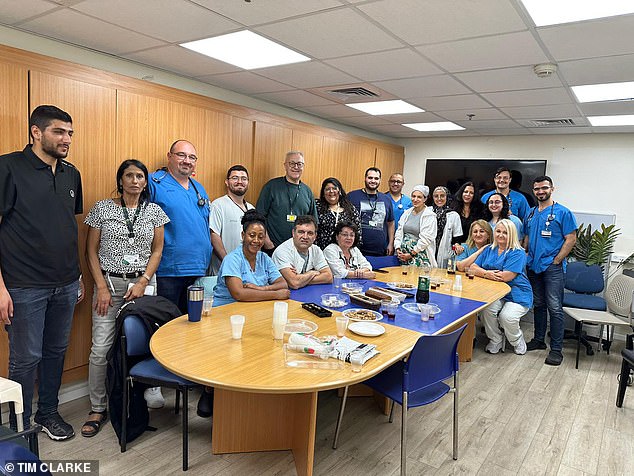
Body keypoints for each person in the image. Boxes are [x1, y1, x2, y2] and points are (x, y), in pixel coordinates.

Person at [0, 105, 83, 439]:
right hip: (23, 285)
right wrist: (0, 288)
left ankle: (48, 413)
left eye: (70, 133)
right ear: (36, 131)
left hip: (64, 283)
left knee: (55, 352)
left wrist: (76, 274)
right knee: (25, 358)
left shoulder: (70, 173)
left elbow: (67, 226)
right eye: (59, 132)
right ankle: (19, 426)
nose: (66, 139)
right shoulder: (8, 167)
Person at [82, 159, 169, 437]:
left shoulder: (155, 211)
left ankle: (142, 396)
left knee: (144, 343)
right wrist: (102, 287)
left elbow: (157, 251)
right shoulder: (102, 208)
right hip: (109, 284)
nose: (134, 180)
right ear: (120, 181)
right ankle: (98, 406)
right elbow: (90, 251)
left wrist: (144, 281)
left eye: (140, 176)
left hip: (143, 286)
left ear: (145, 182)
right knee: (101, 348)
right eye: (129, 176)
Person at [148, 140, 212, 312]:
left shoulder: (199, 188)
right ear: (169, 157)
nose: (187, 161)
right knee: (168, 323)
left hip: (199, 269)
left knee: (193, 322)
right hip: (169, 271)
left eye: (192, 157)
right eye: (181, 155)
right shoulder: (154, 182)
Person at [523, 176, 578, 366]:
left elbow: (571, 238)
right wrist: (526, 254)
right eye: (537, 189)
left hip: (552, 267)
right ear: (534, 190)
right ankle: (538, 340)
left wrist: (557, 260)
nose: (540, 191)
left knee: (555, 308)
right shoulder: (530, 213)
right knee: (538, 304)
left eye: (544, 188)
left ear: (552, 189)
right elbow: (528, 237)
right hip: (534, 266)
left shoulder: (563, 212)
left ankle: (556, 350)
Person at [470, 219, 533, 355]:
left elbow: (506, 277)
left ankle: (517, 340)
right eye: (498, 231)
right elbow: (473, 267)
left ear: (512, 235)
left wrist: (483, 273)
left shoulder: (518, 252)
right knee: (487, 309)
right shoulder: (489, 249)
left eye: (505, 232)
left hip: (517, 294)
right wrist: (487, 273)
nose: (500, 235)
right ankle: (496, 339)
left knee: (507, 317)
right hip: (495, 293)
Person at [213, 210, 290, 307]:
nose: (256, 240)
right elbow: (239, 294)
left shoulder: (264, 258)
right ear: (243, 235)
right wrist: (276, 294)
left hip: (252, 308)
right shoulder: (232, 259)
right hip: (225, 310)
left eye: (261, 237)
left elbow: (283, 284)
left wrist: (262, 288)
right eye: (252, 235)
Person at [256, 151, 318, 252]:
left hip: (299, 250)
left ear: (303, 166)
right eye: (292, 163)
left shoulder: (307, 191)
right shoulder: (271, 186)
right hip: (273, 247)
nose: (295, 167)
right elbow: (259, 217)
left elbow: (313, 223)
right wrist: (267, 242)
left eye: (299, 164)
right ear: (285, 165)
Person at [209, 165, 255, 274]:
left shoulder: (252, 208)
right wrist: (228, 262)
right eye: (235, 178)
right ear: (226, 182)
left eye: (244, 179)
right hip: (223, 270)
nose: (240, 181)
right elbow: (213, 235)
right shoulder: (218, 205)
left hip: (246, 270)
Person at [272, 215, 333, 289]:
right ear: (293, 233)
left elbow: (329, 277)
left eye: (310, 233)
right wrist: (312, 272)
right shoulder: (282, 251)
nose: (305, 237)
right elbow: (294, 283)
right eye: (301, 232)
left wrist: (302, 279)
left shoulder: (316, 250)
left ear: (315, 236)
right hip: (286, 296)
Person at [348, 167, 395, 257]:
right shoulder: (352, 196)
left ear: (380, 180)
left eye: (376, 178)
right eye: (370, 178)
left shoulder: (386, 199)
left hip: (380, 250)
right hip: (356, 249)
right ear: (365, 178)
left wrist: (390, 243)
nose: (373, 181)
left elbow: (391, 223)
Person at [394, 185, 437, 267]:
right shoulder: (407, 213)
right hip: (403, 256)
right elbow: (399, 231)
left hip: (419, 255)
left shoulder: (430, 216)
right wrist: (398, 248)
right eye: (413, 196)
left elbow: (426, 239)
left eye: (419, 197)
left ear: (425, 199)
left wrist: (411, 254)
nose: (415, 199)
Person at [315, 177, 361, 250]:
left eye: (334, 188)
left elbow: (357, 232)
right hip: (321, 251)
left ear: (339, 191)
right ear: (323, 193)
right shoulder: (317, 207)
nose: (331, 191)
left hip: (344, 252)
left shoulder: (350, 208)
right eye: (327, 189)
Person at [431, 186, 463, 268]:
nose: (439, 198)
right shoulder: (428, 212)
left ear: (447, 197)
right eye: (436, 196)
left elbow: (457, 237)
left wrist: (457, 245)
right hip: (429, 250)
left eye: (442, 196)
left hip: (445, 253)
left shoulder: (454, 215)